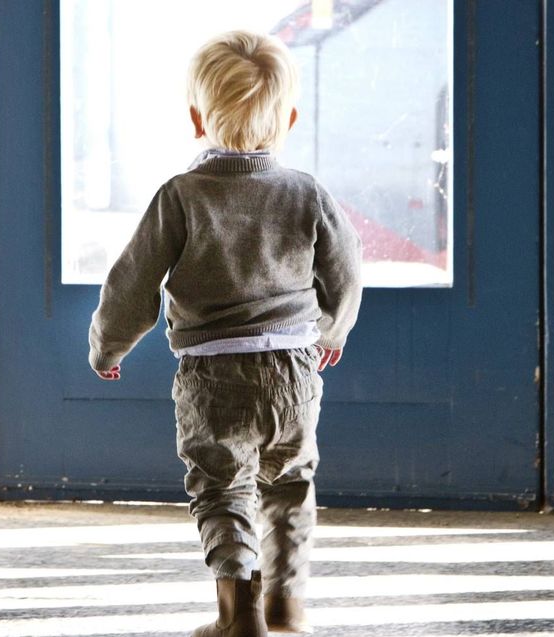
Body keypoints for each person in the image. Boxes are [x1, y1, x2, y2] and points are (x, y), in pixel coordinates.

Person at [88, 29, 363, 636]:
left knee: (222, 490)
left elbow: (132, 285)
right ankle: (287, 608)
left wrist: (108, 346)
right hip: (295, 370)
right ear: (288, 119)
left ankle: (238, 616)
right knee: (290, 484)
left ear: (195, 119)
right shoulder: (305, 193)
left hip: (213, 378)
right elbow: (345, 269)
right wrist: (331, 332)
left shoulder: (180, 197)